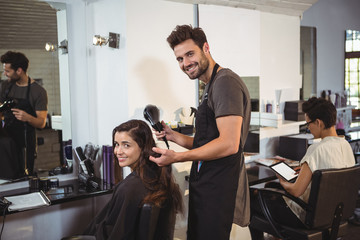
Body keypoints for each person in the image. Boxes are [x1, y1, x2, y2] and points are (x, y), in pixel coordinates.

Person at [149, 25, 251, 239]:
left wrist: (177, 157)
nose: (185, 63)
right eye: (179, 59)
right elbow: (207, 142)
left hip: (219, 188)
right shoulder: (210, 85)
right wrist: (173, 136)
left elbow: (229, 143)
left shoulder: (225, 83)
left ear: (206, 47)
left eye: (190, 54)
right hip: (206, 184)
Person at [249, 97, 355, 239]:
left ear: (318, 122)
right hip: (335, 214)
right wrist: (308, 172)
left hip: (305, 218)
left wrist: (282, 182)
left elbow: (296, 191)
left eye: (308, 124)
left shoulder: (316, 149)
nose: (308, 128)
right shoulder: (346, 145)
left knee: (252, 202)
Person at [83, 119, 183, 240]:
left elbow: (116, 235)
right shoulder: (156, 177)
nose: (118, 152)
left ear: (143, 148)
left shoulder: (128, 189)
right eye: (116, 144)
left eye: (126, 145)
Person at [0, 51, 48, 177]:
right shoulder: (5, 86)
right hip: (6, 141)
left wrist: (28, 118)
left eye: (8, 71)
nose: (5, 74)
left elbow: (41, 123)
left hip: (25, 144)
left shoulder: (38, 92)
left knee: (24, 176)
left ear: (19, 70)